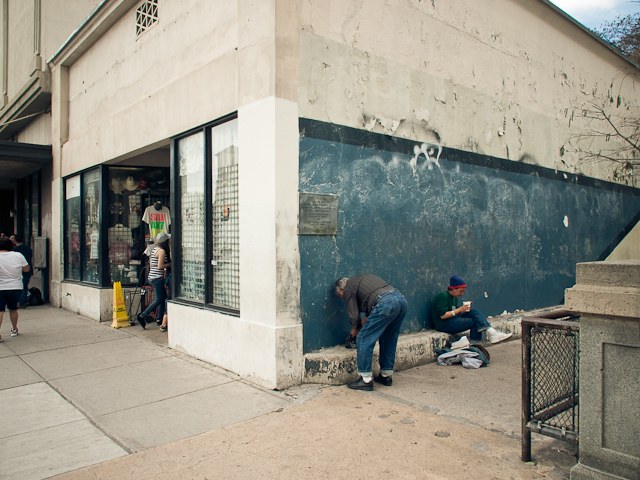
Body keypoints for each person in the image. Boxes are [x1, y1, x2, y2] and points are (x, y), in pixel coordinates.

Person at [335, 274, 408, 391]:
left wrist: (355, 329)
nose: (342, 297)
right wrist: (366, 319)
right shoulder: (361, 281)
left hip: (386, 303)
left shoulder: (348, 287)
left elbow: (354, 315)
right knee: (388, 338)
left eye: (339, 294)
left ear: (341, 288)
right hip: (401, 300)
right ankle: (386, 376)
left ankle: (365, 380)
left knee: (363, 338)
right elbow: (374, 299)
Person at [430, 275, 512, 345]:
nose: (462, 294)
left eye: (463, 292)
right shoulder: (443, 296)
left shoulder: (454, 297)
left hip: (453, 319)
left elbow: (455, 311)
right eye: (460, 291)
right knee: (474, 322)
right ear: (454, 289)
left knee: (473, 312)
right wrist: (460, 309)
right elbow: (443, 316)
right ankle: (475, 343)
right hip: (444, 324)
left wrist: (464, 309)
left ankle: (491, 331)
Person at [136, 232, 170, 329]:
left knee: (162, 298)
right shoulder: (161, 251)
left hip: (152, 277)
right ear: (165, 242)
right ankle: (143, 315)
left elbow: (152, 265)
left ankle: (159, 318)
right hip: (157, 278)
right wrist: (170, 264)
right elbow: (160, 266)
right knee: (159, 299)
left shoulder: (154, 249)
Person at [0, 237, 30, 341]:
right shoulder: (18, 255)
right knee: (13, 309)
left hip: (0, 287)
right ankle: (14, 329)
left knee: (0, 310)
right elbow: (26, 269)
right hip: (15, 287)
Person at [10, 234, 32, 308]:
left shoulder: (14, 250)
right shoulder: (28, 248)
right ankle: (23, 301)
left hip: (18, 270)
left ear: (15, 240)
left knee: (20, 286)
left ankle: (21, 301)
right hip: (28, 269)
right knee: (24, 285)